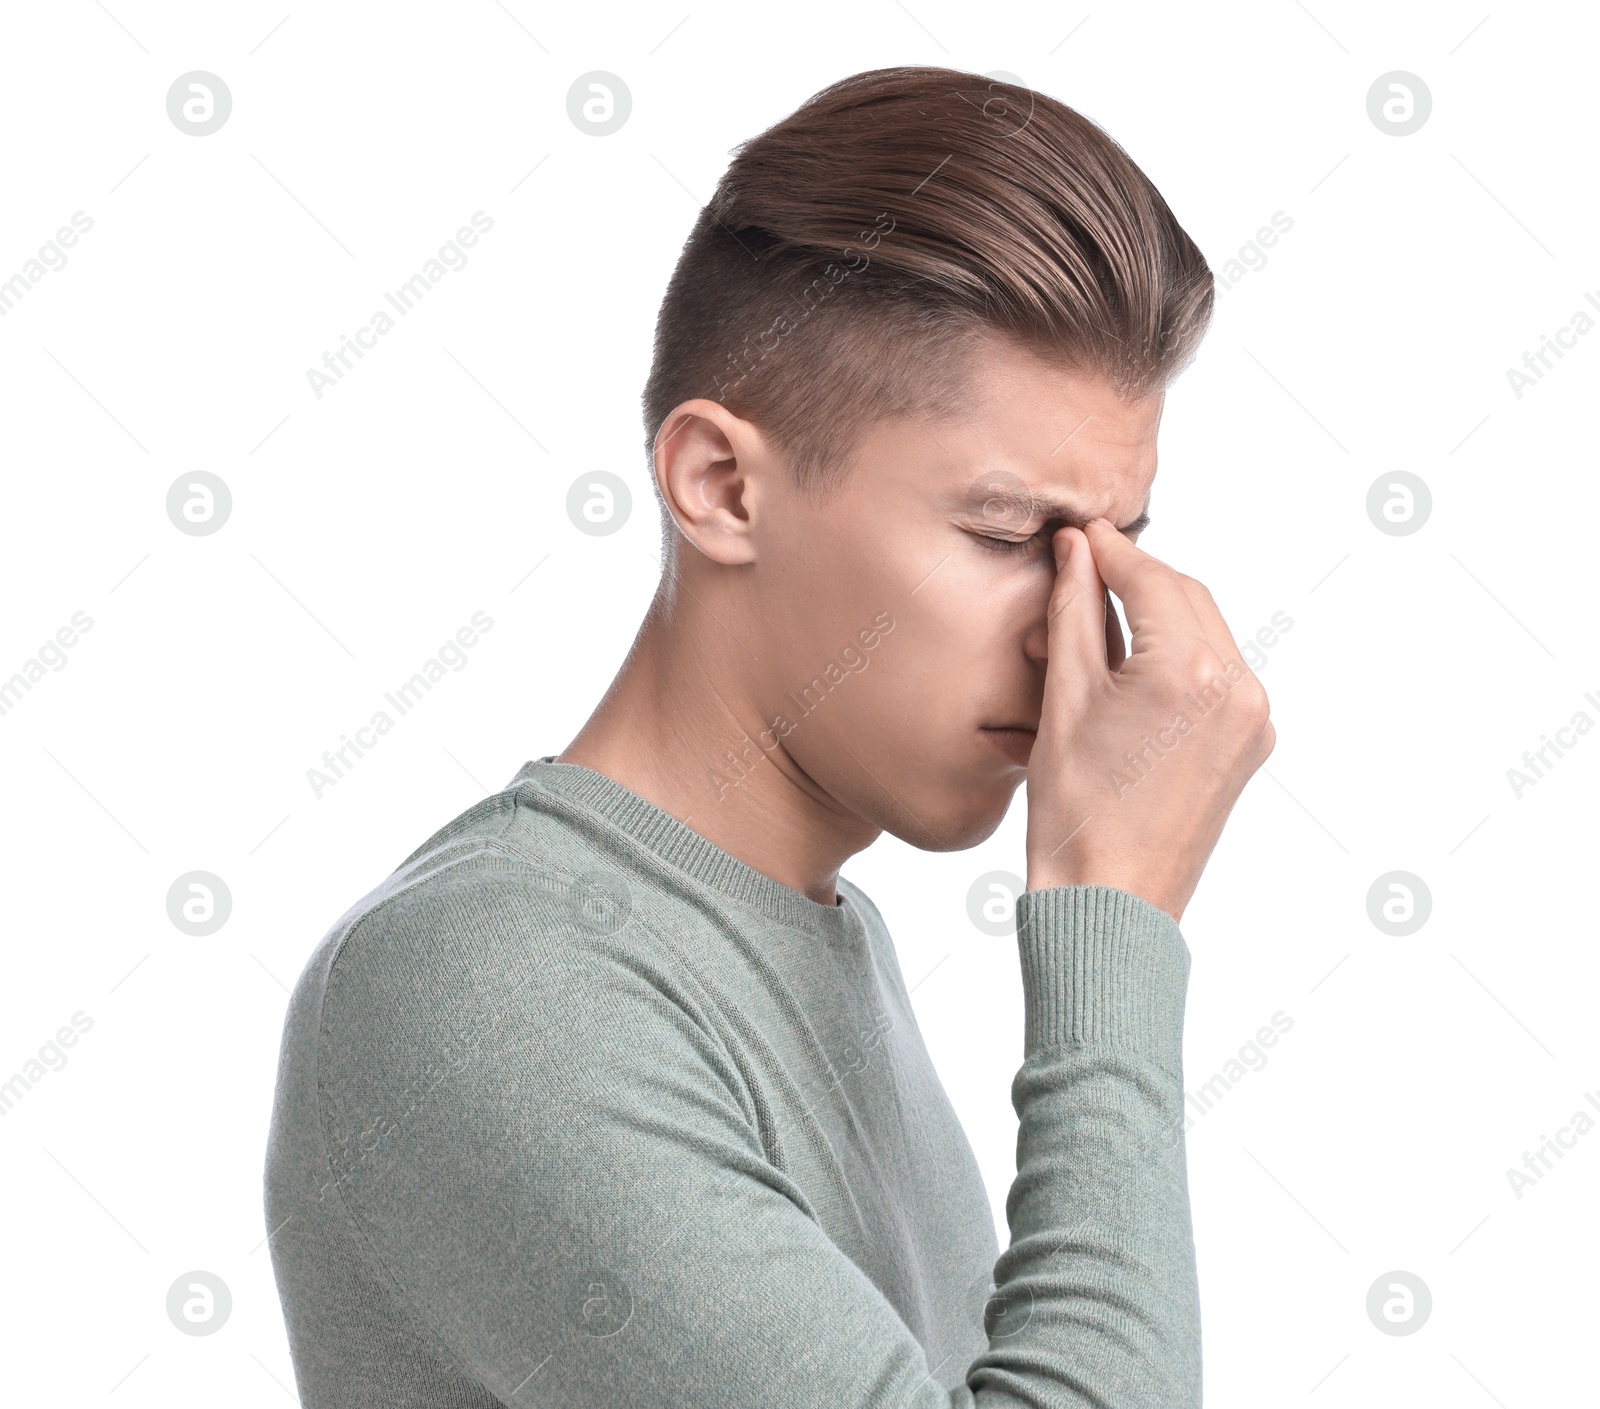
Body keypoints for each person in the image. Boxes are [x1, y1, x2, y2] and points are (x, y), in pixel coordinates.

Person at [264, 64, 1274, 1407]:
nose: (1075, 632)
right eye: (1010, 536)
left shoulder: (822, 941)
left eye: (1115, 547)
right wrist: (1113, 919)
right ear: (722, 485)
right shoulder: (487, 984)